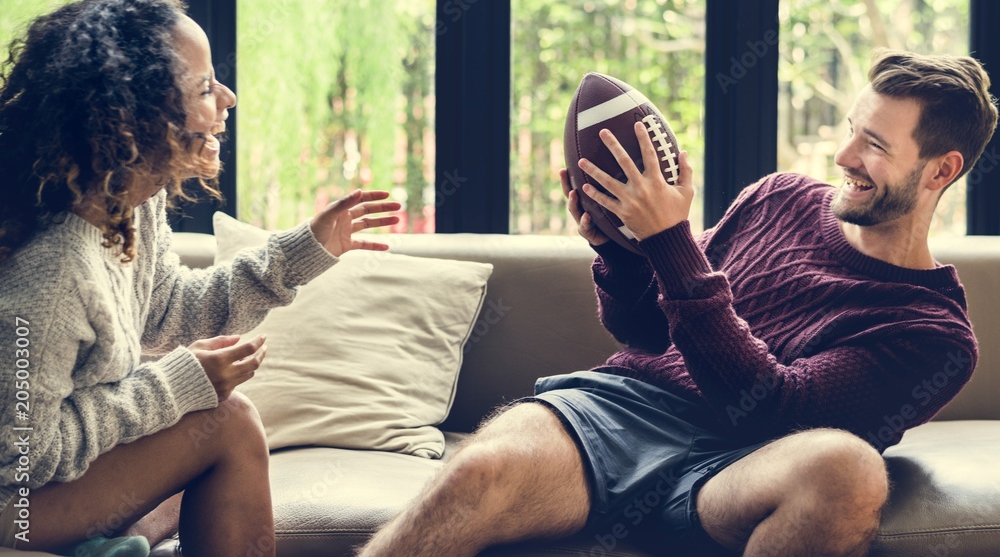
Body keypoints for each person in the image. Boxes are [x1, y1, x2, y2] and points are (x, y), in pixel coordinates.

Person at [358, 49, 998, 557]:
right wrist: (623, 250)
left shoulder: (934, 335)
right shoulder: (779, 197)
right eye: (853, 131)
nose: (844, 156)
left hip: (741, 466)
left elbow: (772, 412)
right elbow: (645, 331)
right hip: (620, 416)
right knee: (477, 473)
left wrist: (671, 242)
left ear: (940, 171)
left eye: (876, 146)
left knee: (849, 468)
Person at [0, 0, 401, 557]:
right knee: (228, 422)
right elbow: (24, 457)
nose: (229, 98)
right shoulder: (54, 271)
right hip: (12, 507)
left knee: (200, 451)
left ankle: (107, 543)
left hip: (46, 485)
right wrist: (174, 386)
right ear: (133, 120)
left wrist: (305, 250)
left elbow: (166, 311)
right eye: (205, 89)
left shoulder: (130, 204)